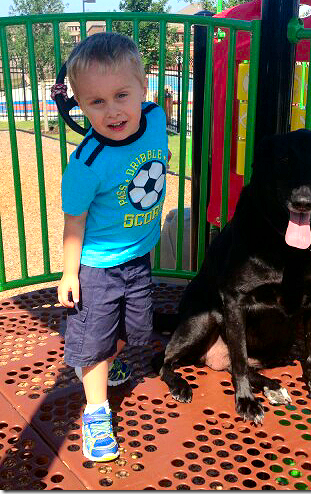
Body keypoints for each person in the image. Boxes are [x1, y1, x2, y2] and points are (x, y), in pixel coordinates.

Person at [57, 32, 168, 462]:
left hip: (138, 256)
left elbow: (157, 119)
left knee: (134, 330)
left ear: (144, 88)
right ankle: (96, 412)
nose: (113, 111)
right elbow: (75, 221)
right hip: (98, 266)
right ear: (81, 106)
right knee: (95, 341)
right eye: (96, 102)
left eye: (122, 94)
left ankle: (109, 362)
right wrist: (70, 273)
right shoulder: (87, 162)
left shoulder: (155, 117)